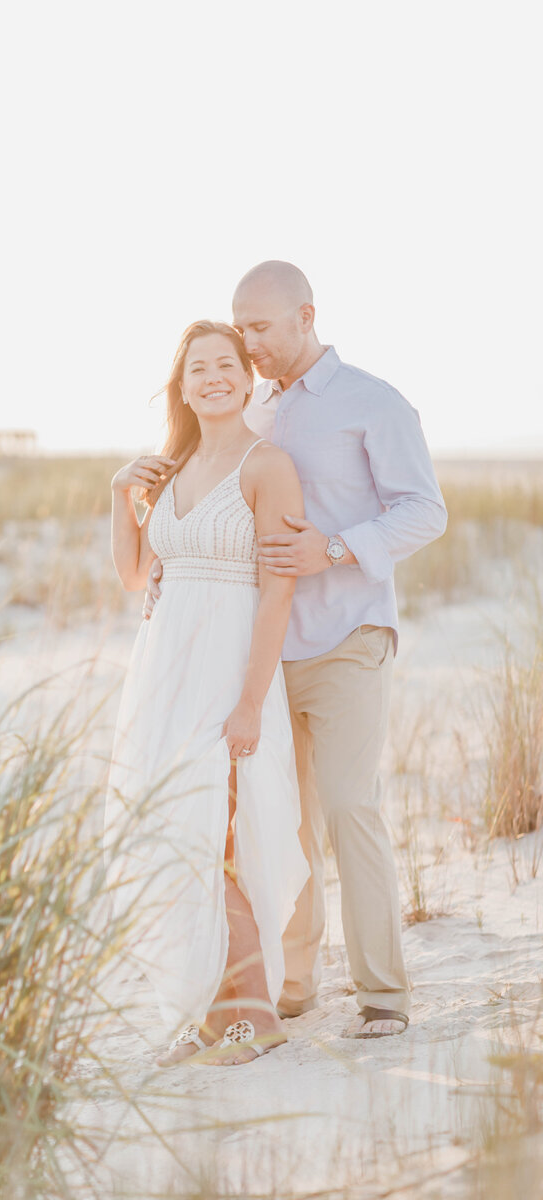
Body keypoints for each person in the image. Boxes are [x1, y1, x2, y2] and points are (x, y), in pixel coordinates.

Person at [146, 263, 447, 1038]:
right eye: (239, 328)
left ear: (305, 315)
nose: (247, 344)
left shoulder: (372, 402)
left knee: (349, 806)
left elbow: (426, 512)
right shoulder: (261, 412)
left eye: (259, 328)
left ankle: (382, 993)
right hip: (266, 647)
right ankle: (296, 983)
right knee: (287, 818)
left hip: (348, 636)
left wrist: (339, 550)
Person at [106, 320, 309, 1066]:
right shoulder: (174, 464)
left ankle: (255, 1021)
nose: (215, 377)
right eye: (200, 368)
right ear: (182, 385)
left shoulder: (268, 465)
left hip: (230, 671)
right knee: (177, 837)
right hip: (164, 673)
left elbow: (278, 594)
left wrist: (252, 702)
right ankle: (209, 1014)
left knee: (222, 832)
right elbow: (135, 577)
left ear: (246, 380)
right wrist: (121, 492)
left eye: (227, 364)